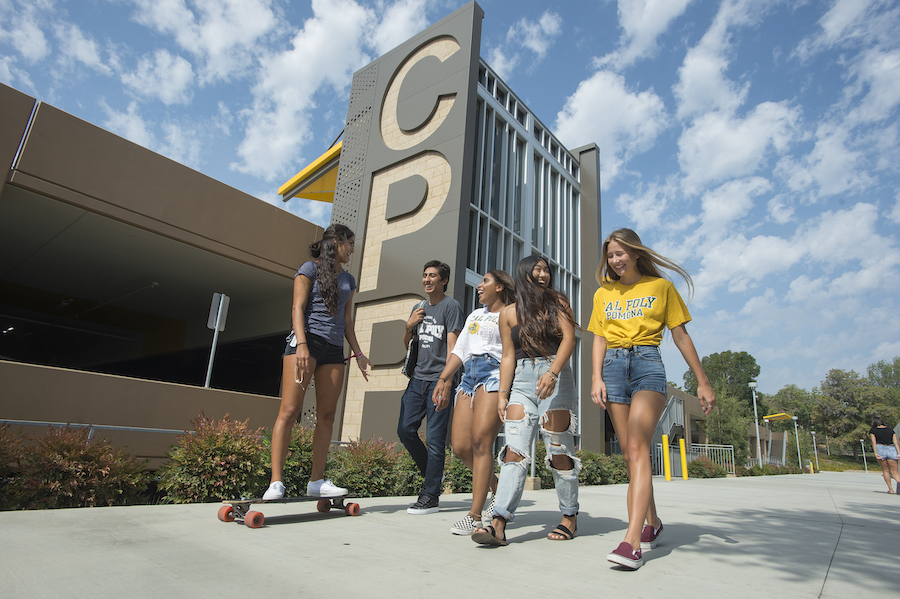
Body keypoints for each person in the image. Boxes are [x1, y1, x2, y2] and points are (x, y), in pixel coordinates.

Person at [588, 228, 715, 570]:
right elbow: (599, 338)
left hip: (647, 366)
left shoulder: (661, 288)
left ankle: (632, 542)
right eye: (610, 255)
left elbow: (681, 335)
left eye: (620, 254)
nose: (615, 261)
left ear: (635, 253)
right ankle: (653, 522)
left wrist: (702, 382)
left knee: (636, 449)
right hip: (613, 367)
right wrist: (596, 377)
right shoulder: (603, 294)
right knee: (631, 457)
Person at [472, 255, 580, 546]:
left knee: (558, 448)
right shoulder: (508, 313)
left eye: (547, 270)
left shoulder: (558, 302)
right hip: (520, 380)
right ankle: (499, 523)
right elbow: (508, 355)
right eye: (538, 270)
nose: (544, 274)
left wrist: (554, 373)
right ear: (524, 273)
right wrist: (503, 394)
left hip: (553, 376)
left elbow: (569, 338)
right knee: (514, 452)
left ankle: (569, 516)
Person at [261, 224, 371, 500]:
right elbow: (297, 308)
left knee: (327, 416)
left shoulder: (349, 280)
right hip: (306, 342)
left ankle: (316, 481)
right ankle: (276, 482)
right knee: (289, 410)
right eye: (350, 243)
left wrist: (357, 353)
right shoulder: (308, 269)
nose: (352, 249)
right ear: (336, 242)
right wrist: (300, 344)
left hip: (334, 349)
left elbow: (346, 320)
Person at [431, 270, 515, 535]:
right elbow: (460, 350)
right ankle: (496, 487)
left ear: (500, 287)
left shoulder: (511, 313)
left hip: (493, 374)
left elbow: (511, 353)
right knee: (460, 446)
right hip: (469, 376)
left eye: (486, 282)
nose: (479, 286)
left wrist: (506, 388)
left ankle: (474, 516)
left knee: (481, 442)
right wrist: (444, 379)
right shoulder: (475, 315)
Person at [399, 260, 464, 515]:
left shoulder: (451, 306)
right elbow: (408, 345)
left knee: (436, 440)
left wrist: (446, 381)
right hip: (417, 380)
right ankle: (432, 474)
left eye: (433, 276)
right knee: (405, 429)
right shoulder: (419, 308)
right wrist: (408, 325)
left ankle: (430, 495)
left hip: (439, 379)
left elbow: (453, 347)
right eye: (425, 275)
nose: (427, 280)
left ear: (444, 280)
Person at [869, 416, 900, 494]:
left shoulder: (873, 430)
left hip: (880, 448)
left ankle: (891, 489)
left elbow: (874, 442)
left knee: (885, 471)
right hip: (891, 449)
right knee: (895, 472)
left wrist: (875, 453)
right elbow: (896, 442)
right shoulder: (890, 430)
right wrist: (899, 453)